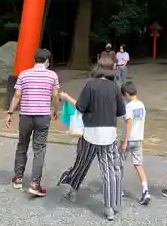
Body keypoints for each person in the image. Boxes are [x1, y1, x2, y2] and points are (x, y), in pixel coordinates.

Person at [58, 56, 125, 221]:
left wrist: (66, 98)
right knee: (110, 169)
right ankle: (110, 207)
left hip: (90, 132)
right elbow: (120, 112)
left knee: (82, 162)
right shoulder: (115, 88)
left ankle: (72, 192)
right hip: (109, 133)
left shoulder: (90, 85)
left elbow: (80, 107)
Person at [6, 48, 59, 197]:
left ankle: (18, 178)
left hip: (26, 116)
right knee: (39, 150)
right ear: (47, 61)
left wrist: (10, 112)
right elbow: (55, 96)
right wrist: (56, 110)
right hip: (42, 116)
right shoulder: (52, 75)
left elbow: (17, 95)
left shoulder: (24, 74)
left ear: (35, 60)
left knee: (22, 145)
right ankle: (35, 184)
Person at [120, 81, 150, 205]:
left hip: (129, 138)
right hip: (138, 139)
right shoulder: (142, 105)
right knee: (138, 165)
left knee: (118, 163)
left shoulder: (129, 106)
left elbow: (129, 123)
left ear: (126, 93)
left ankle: (118, 189)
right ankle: (145, 190)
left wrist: (125, 142)